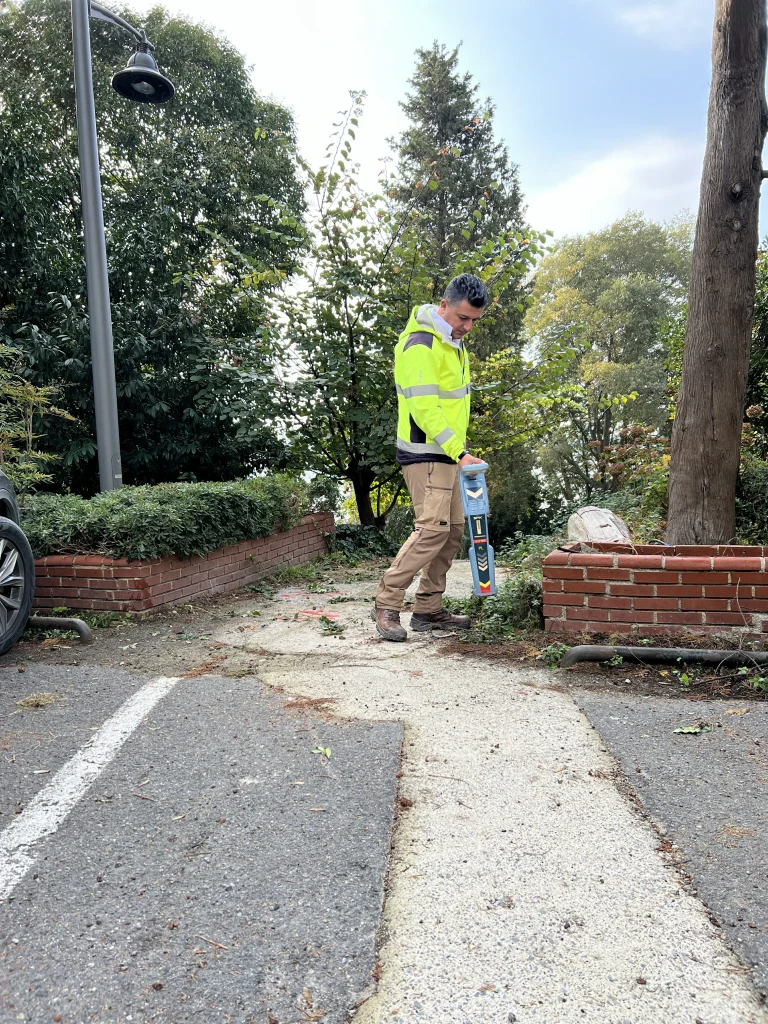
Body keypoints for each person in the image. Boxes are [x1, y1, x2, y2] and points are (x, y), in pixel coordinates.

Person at [372, 273, 488, 641]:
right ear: (443, 307)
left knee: (453, 531)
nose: (467, 327)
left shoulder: (452, 341)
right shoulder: (420, 344)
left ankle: (428, 609)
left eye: (474, 320)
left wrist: (460, 453)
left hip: (450, 455)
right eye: (462, 318)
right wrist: (460, 450)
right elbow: (424, 408)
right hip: (426, 454)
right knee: (431, 530)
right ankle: (386, 604)